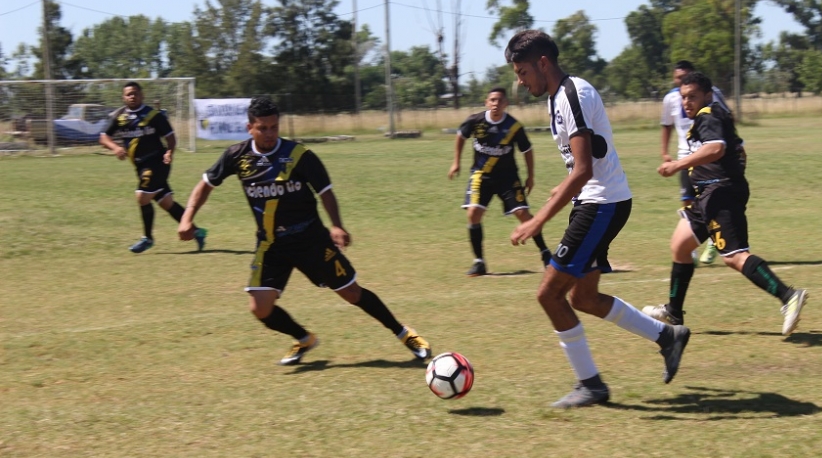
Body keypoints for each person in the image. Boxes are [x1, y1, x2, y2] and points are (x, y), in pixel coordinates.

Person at [504, 30, 690, 409]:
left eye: (523, 72)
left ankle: (591, 385)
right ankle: (667, 337)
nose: (520, 82)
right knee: (583, 297)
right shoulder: (559, 96)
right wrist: (561, 189)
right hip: (599, 201)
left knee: (549, 295)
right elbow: (584, 164)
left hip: (600, 204)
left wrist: (537, 221)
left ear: (543, 63)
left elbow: (584, 169)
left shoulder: (572, 94)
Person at [177, 97, 431, 366]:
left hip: (311, 240)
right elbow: (206, 184)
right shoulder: (236, 156)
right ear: (249, 127)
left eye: (274, 127)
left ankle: (404, 333)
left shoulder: (298, 155)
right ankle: (304, 338)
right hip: (271, 244)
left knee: (352, 293)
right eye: (262, 128)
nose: (269, 134)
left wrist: (336, 225)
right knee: (260, 308)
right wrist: (186, 218)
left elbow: (325, 191)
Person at [643, 72, 807, 336]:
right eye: (683, 97)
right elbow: (738, 149)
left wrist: (678, 165)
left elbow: (716, 148)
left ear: (707, 95)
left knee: (734, 256)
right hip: (708, 194)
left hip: (719, 194)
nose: (687, 102)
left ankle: (788, 296)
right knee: (680, 245)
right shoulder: (715, 115)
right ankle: (674, 310)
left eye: (693, 96)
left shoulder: (708, 115)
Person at [448, 87, 551, 275]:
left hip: (507, 178)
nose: (496, 103)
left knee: (522, 214)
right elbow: (461, 136)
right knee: (473, 214)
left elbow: (527, 150)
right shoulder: (475, 121)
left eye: (500, 100)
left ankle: (546, 253)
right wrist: (456, 162)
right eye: (492, 100)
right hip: (481, 176)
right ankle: (479, 262)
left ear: (506, 104)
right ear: (487, 102)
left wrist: (531, 176)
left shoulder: (513, 126)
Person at [100, 82, 207, 254]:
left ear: (142, 95)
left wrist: (169, 152)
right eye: (128, 94)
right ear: (123, 97)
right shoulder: (120, 117)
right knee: (166, 203)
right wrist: (115, 148)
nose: (132, 96)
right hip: (140, 166)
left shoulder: (152, 115)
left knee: (142, 196)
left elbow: (170, 137)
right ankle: (196, 232)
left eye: (135, 93)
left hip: (158, 163)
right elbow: (103, 137)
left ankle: (147, 238)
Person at [660, 60, 730, 265]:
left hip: (709, 156)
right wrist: (665, 152)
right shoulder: (670, 98)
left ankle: (714, 241)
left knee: (712, 200)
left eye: (684, 77)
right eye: (678, 78)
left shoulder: (711, 95)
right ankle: (690, 248)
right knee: (688, 201)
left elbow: (726, 116)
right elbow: (666, 125)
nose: (680, 81)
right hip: (685, 156)